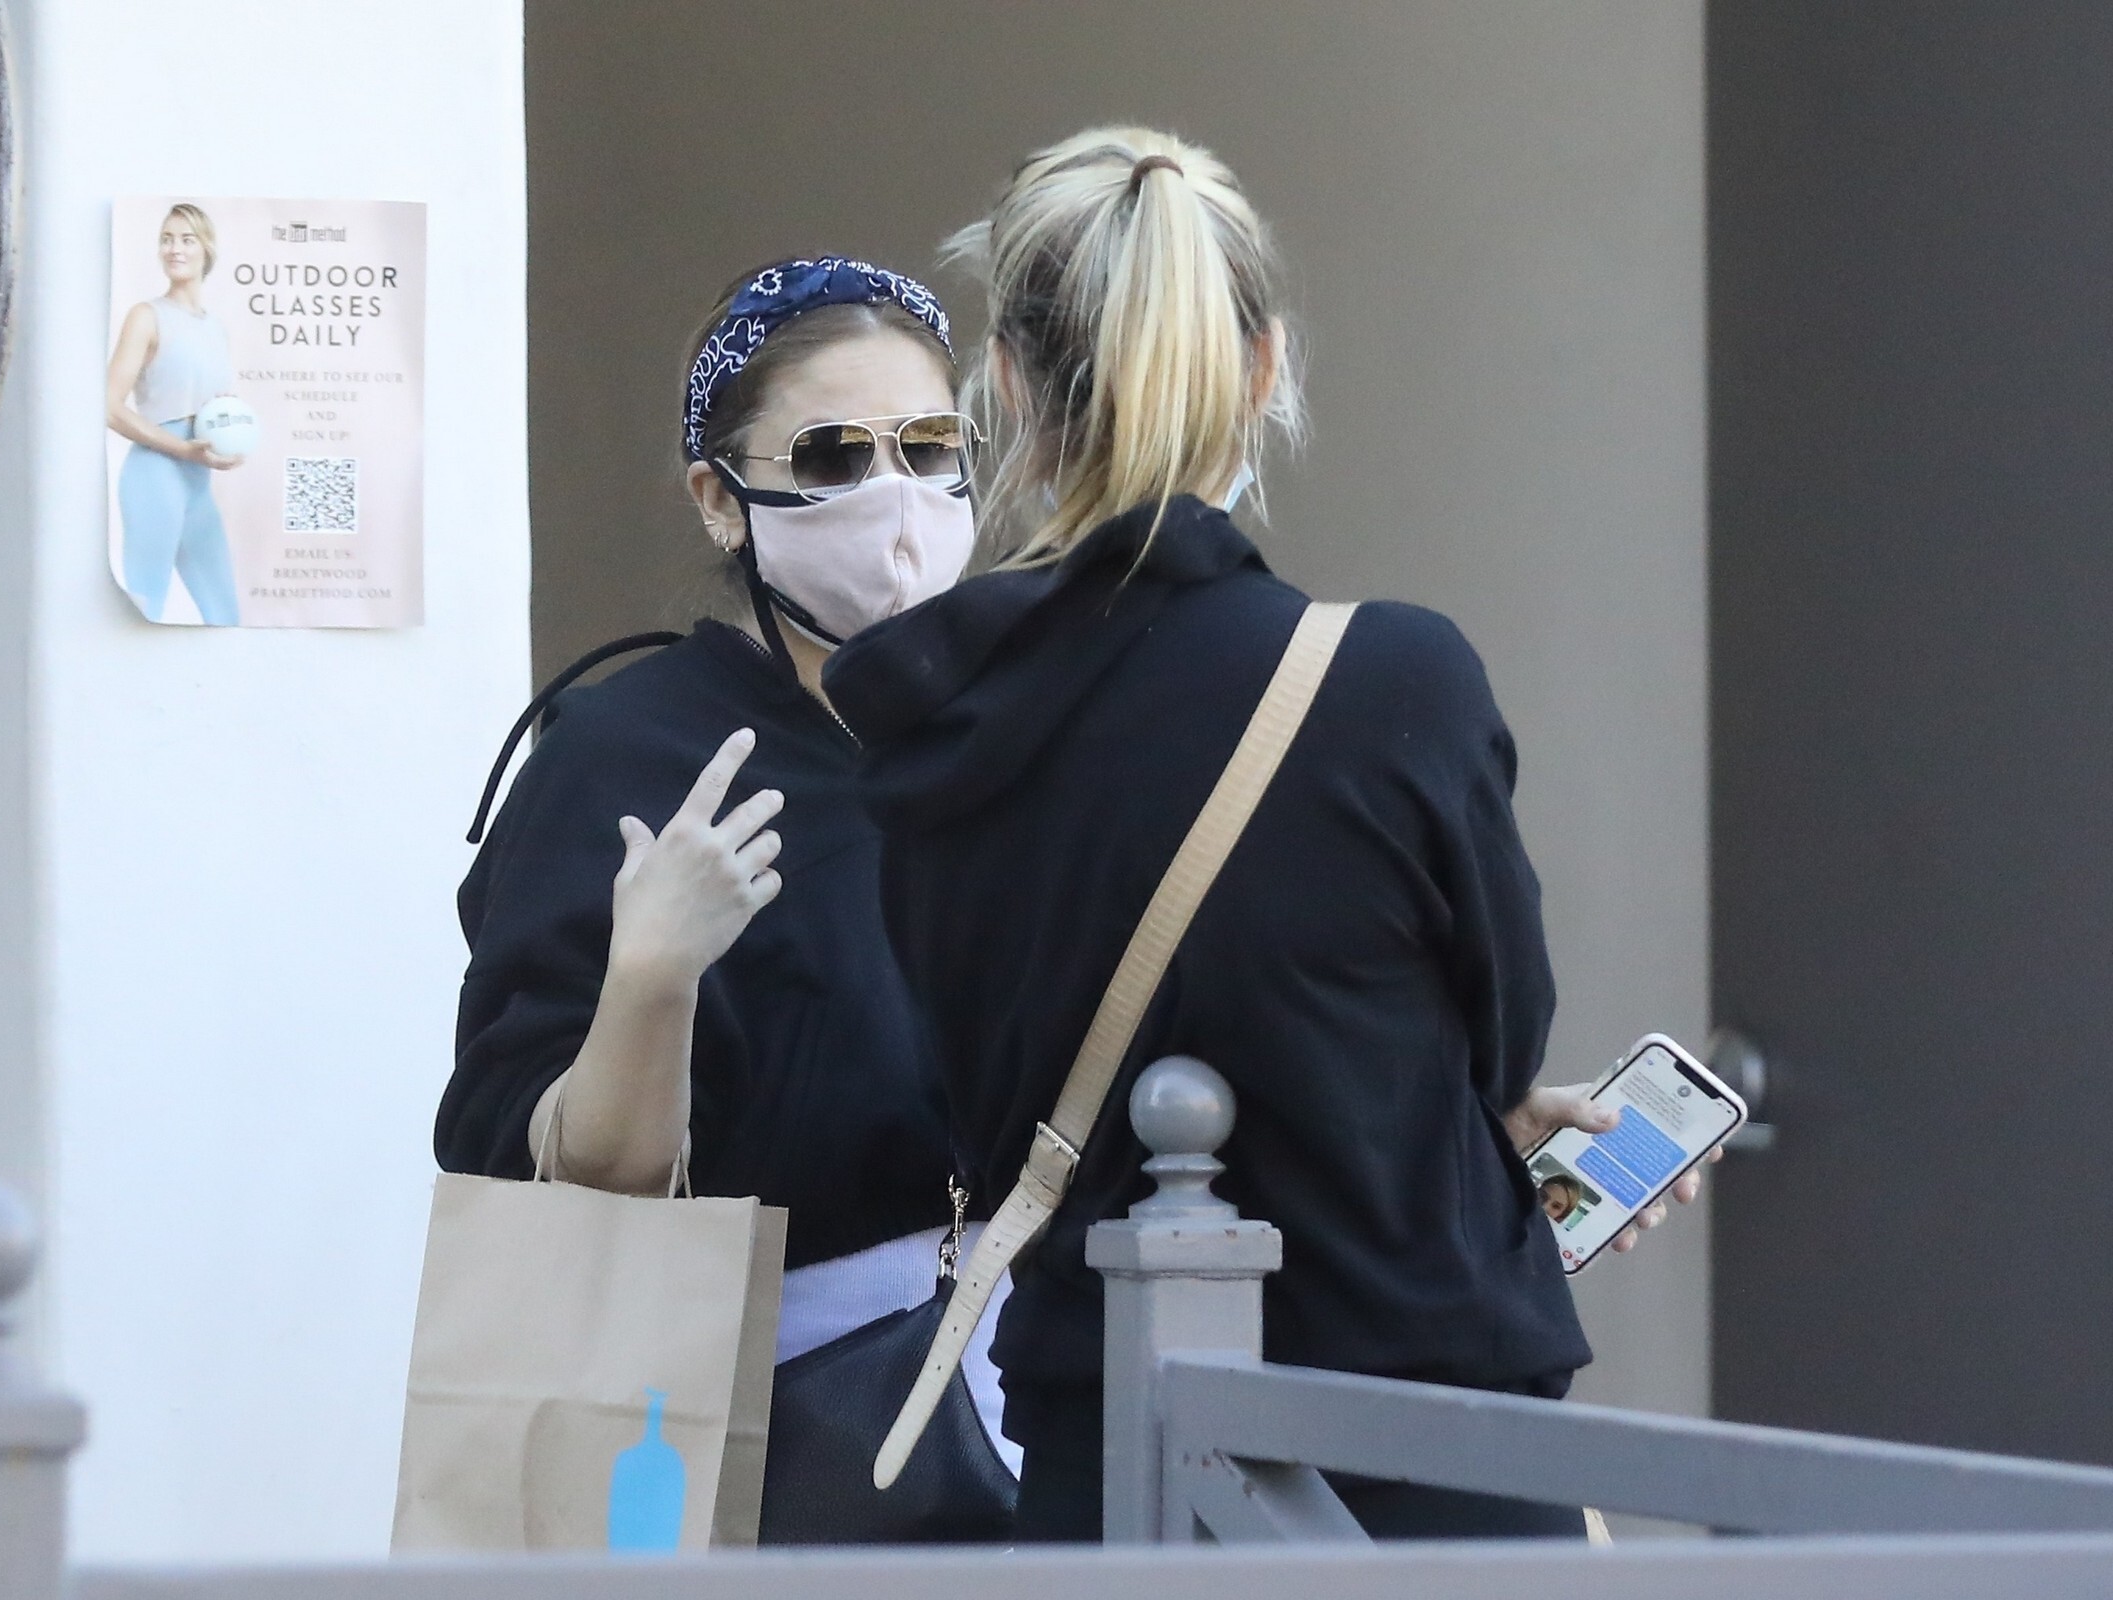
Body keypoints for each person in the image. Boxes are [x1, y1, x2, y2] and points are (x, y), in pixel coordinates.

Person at [824, 128, 1706, 1543]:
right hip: (1418, 1468)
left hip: (1106, 1479)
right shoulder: (1391, 685)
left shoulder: (933, 732)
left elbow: (980, 1099)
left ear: (1007, 384)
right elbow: (1498, 1036)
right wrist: (1447, 1144)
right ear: (1264, 365)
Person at [437, 257, 1017, 1522]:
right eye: (831, 457)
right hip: (730, 1425)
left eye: (928, 446)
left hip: (1035, 1394)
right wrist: (649, 978)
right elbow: (543, 1182)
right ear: (719, 498)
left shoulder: (1007, 733)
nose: (895, 496)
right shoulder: (624, 757)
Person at [104, 202, 243, 625]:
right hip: (154, 477)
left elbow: (214, 407)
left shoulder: (216, 329)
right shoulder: (146, 317)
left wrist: (233, 437)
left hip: (198, 485)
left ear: (206, 249)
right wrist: (183, 450)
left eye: (186, 239)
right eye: (166, 239)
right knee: (145, 609)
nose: (174, 249)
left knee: (226, 617)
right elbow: (108, 406)